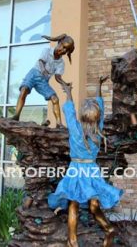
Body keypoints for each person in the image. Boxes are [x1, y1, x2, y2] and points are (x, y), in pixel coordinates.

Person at [48, 76, 124, 247]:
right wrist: (99, 86)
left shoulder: (75, 129)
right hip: (91, 170)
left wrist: (67, 91)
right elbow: (101, 109)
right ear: (97, 118)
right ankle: (107, 227)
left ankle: (72, 241)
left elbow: (69, 109)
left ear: (82, 116)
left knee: (73, 203)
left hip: (75, 169)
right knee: (94, 204)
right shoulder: (98, 131)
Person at [11, 34, 75, 127]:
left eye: (66, 50)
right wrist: (43, 70)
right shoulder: (46, 51)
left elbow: (58, 77)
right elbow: (41, 61)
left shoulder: (61, 63)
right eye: (63, 47)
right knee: (24, 90)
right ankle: (16, 115)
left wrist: (65, 84)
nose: (64, 50)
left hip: (43, 81)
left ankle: (58, 123)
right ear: (59, 43)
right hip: (34, 74)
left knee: (55, 99)